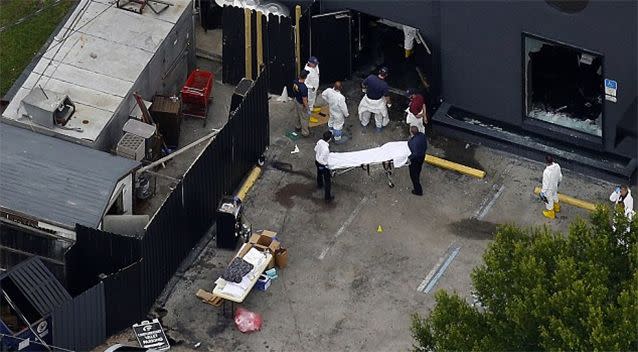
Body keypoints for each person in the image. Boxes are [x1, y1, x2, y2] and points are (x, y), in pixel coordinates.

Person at [358, 67, 390, 133]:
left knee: (365, 113)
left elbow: (363, 84)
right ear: (386, 75)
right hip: (378, 102)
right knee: (379, 116)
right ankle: (378, 128)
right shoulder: (384, 85)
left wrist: (364, 90)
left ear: (379, 71)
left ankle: (364, 125)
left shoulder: (371, 77)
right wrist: (389, 103)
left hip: (367, 100)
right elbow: (386, 97)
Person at [407, 126, 427, 196]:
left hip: (415, 159)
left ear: (411, 132)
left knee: (413, 175)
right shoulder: (422, 135)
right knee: (418, 168)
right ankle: (418, 176)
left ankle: (418, 191)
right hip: (422, 156)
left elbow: (414, 153)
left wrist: (408, 158)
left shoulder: (412, 142)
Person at [315, 131, 334, 202]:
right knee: (327, 181)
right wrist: (325, 164)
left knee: (319, 174)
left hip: (316, 162)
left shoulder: (319, 141)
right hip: (322, 165)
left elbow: (315, 149)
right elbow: (321, 159)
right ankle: (327, 198)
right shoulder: (326, 149)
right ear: (329, 139)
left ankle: (319, 185)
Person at [292, 70, 310, 137]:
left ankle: (297, 127)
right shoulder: (304, 88)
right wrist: (307, 108)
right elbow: (304, 100)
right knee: (304, 118)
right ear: (306, 77)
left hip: (296, 100)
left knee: (297, 115)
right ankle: (305, 132)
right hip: (301, 104)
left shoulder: (295, 81)